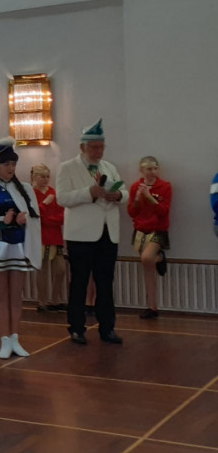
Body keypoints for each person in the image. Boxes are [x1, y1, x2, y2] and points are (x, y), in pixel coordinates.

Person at [56, 119, 128, 345]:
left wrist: (118, 196)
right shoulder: (67, 168)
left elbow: (123, 190)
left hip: (108, 234)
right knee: (79, 282)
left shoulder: (109, 167)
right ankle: (77, 328)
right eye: (94, 147)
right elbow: (62, 198)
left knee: (106, 283)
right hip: (80, 236)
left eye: (101, 147)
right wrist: (89, 192)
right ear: (82, 148)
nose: (98, 151)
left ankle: (107, 328)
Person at [0, 139, 42, 359]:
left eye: (13, 163)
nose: (11, 168)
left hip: (19, 247)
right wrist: (5, 219)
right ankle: (4, 339)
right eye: (6, 164)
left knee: (16, 296)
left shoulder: (25, 190)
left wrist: (24, 220)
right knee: (0, 296)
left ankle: (15, 338)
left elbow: (35, 219)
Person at [128, 156, 172, 319]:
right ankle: (152, 306)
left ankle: (159, 257)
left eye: (155, 168)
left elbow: (163, 211)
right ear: (142, 171)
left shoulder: (165, 186)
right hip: (141, 230)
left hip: (158, 230)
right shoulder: (135, 187)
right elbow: (132, 212)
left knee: (147, 258)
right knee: (147, 268)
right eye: (149, 169)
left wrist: (149, 197)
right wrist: (139, 198)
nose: (152, 172)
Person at [31, 164, 66, 312]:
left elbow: (62, 215)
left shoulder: (54, 193)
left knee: (60, 269)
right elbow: (35, 215)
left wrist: (48, 218)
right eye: (42, 176)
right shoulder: (32, 194)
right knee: (43, 269)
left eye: (47, 177)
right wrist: (45, 206)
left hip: (55, 236)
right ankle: (42, 301)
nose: (45, 180)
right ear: (35, 177)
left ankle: (55, 299)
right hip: (41, 237)